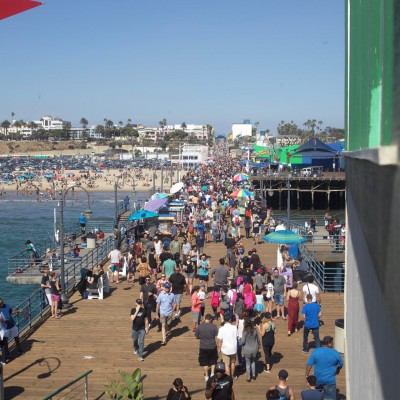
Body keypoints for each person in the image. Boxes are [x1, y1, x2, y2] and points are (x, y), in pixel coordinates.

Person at [195, 313, 219, 381]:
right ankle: (212, 374)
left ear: (205, 318)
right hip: (212, 346)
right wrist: (218, 347)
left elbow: (196, 336)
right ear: (211, 319)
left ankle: (206, 376)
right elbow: (216, 337)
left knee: (205, 363)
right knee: (213, 361)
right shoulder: (214, 326)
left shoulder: (200, 326)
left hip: (203, 346)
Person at [217, 314, 238, 380]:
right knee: (233, 363)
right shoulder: (234, 327)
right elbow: (237, 336)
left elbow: (219, 340)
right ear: (230, 320)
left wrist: (219, 348)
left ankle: (228, 378)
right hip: (233, 349)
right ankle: (232, 376)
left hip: (225, 349)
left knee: (226, 364)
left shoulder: (221, 329)